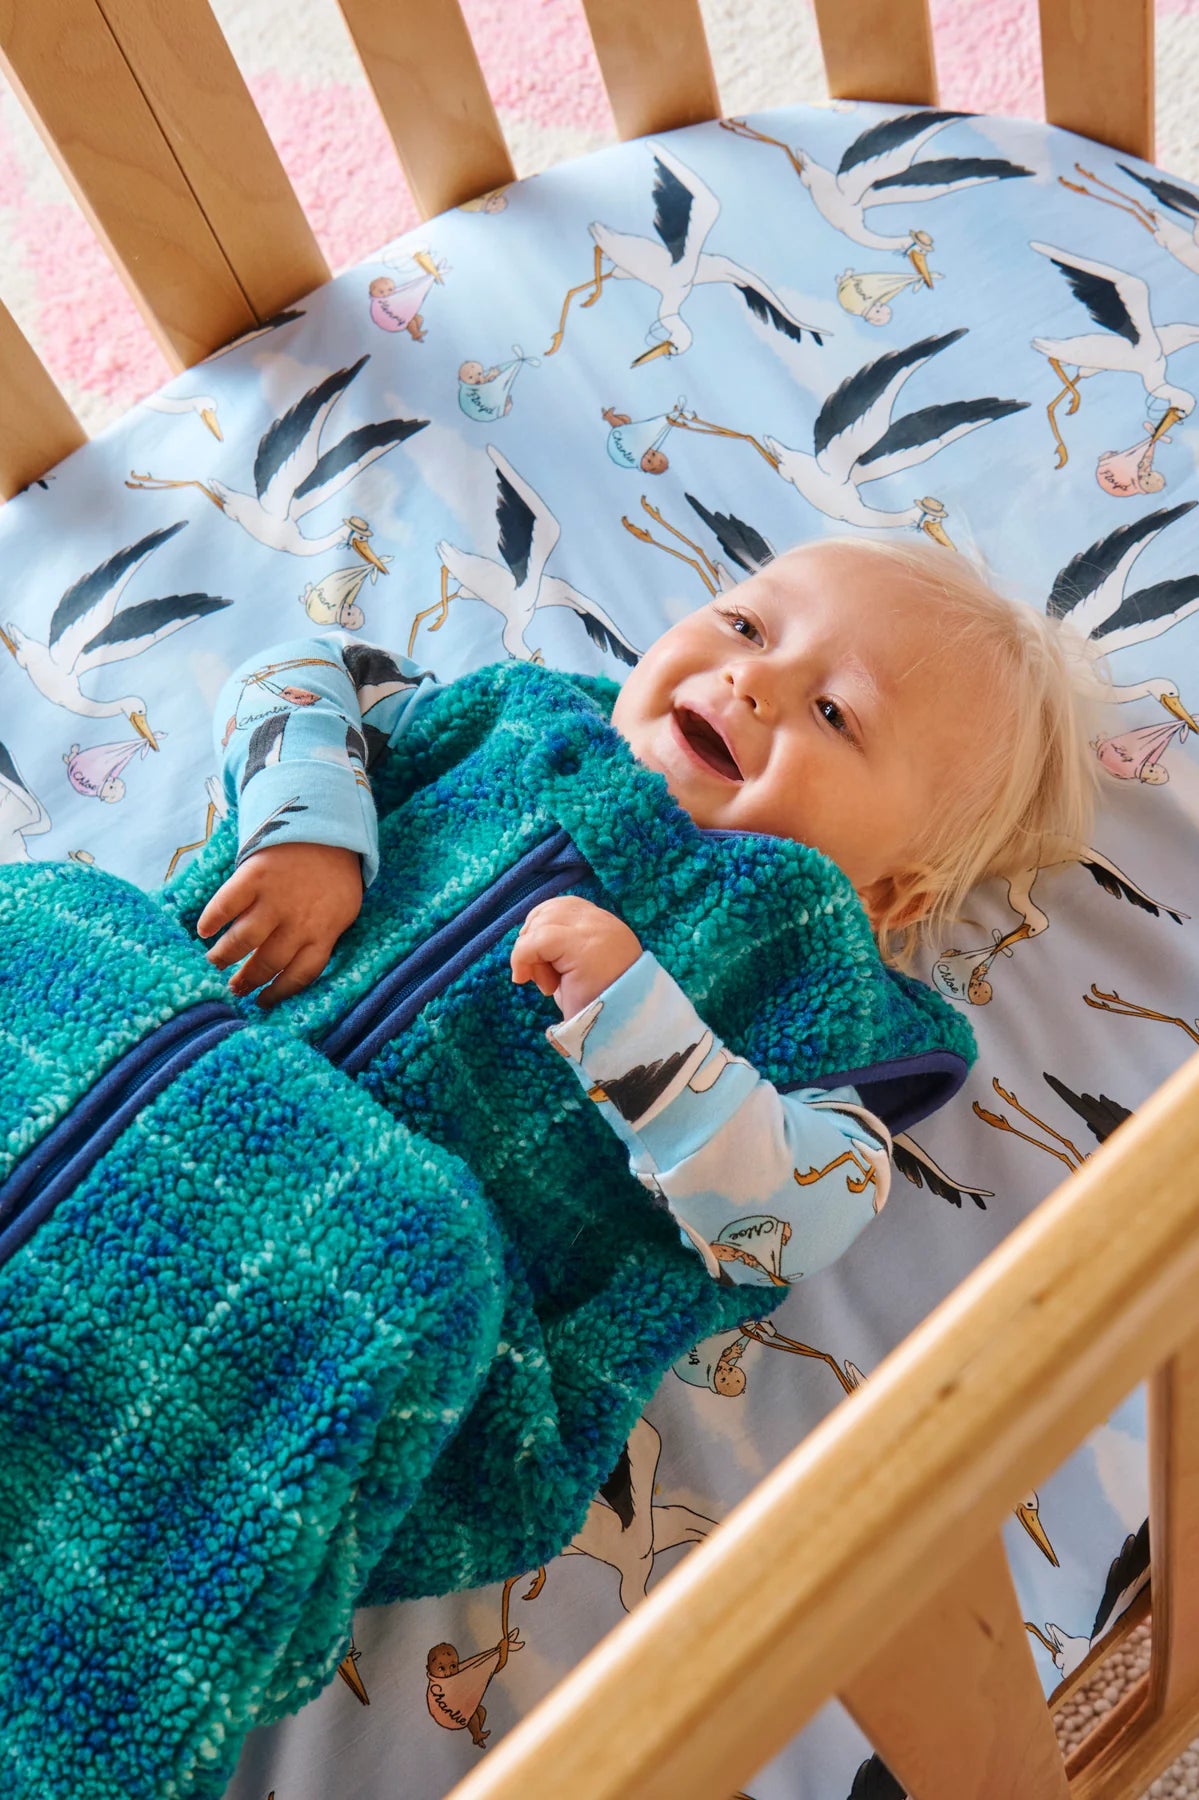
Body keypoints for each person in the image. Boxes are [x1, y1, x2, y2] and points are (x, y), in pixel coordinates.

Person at [195, 535, 1103, 1291]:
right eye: (745, 625)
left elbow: (793, 1225)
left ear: (887, 894)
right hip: (168, 1051)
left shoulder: (817, 988)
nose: (753, 679)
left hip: (346, 1268)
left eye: (834, 712)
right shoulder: (524, 719)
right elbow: (303, 672)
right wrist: (305, 826)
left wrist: (636, 1024)